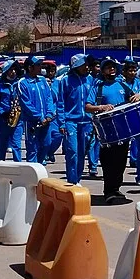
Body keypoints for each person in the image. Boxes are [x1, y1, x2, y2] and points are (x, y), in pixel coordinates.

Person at [87, 58, 133, 204]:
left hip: (123, 130)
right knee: (108, 161)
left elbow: (133, 97)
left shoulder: (122, 85)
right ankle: (108, 190)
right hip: (107, 131)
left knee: (121, 160)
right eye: (108, 67)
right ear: (103, 71)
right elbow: (87, 106)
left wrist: (137, 96)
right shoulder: (98, 87)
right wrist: (100, 107)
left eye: (113, 67)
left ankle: (116, 188)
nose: (111, 69)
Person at [54, 54, 95, 184]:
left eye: (86, 65)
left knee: (82, 152)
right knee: (72, 151)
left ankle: (77, 179)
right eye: (82, 65)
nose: (86, 67)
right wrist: (62, 123)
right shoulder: (65, 81)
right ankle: (71, 180)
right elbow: (60, 103)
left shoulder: (90, 79)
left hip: (86, 122)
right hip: (70, 121)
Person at [18, 56, 57, 164]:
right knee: (32, 148)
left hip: (46, 121)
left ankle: (39, 167)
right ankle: (32, 174)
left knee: (46, 144)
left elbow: (49, 98)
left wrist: (49, 114)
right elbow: (26, 103)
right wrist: (39, 117)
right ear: (30, 68)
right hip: (32, 122)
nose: (41, 67)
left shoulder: (42, 80)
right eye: (38, 65)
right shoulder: (22, 83)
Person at [0, 60, 25, 161]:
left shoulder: (20, 84)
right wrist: (2, 112)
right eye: (10, 70)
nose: (13, 72)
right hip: (3, 120)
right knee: (2, 145)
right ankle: (0, 165)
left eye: (15, 69)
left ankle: (18, 166)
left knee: (16, 145)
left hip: (18, 120)